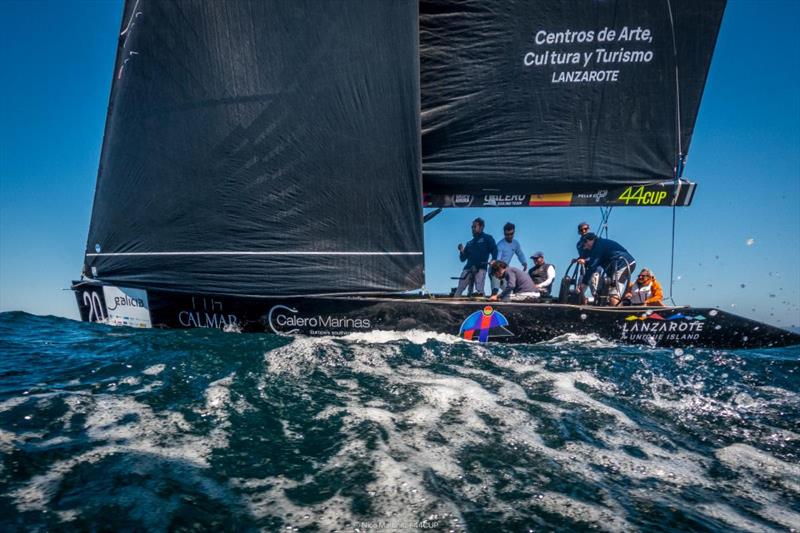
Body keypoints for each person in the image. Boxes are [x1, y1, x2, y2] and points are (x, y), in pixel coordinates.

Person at [577, 232, 636, 306]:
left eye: (584, 245)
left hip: (622, 264)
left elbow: (593, 266)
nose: (585, 248)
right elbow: (598, 260)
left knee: (613, 294)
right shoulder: (600, 244)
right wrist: (586, 261)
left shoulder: (598, 246)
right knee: (603, 292)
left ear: (589, 240)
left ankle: (617, 315)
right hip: (619, 265)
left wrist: (584, 283)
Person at [455, 218, 497, 296]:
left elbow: (494, 249)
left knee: (479, 290)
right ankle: (454, 305)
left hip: (481, 268)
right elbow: (462, 259)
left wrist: (494, 259)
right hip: (468, 268)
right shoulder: (469, 243)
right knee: (459, 288)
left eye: (475, 226)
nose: (472, 228)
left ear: (481, 227)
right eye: (472, 227)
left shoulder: (487, 238)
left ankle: (481, 306)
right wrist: (461, 251)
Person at [491, 222, 528, 296]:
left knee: (508, 290)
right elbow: (498, 260)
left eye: (511, 234)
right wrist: (499, 269)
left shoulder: (515, 243)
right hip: (496, 267)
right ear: (504, 234)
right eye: (507, 234)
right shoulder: (500, 245)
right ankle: (493, 298)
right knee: (496, 287)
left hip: (505, 269)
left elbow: (519, 253)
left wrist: (524, 263)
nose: (509, 236)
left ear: (514, 232)